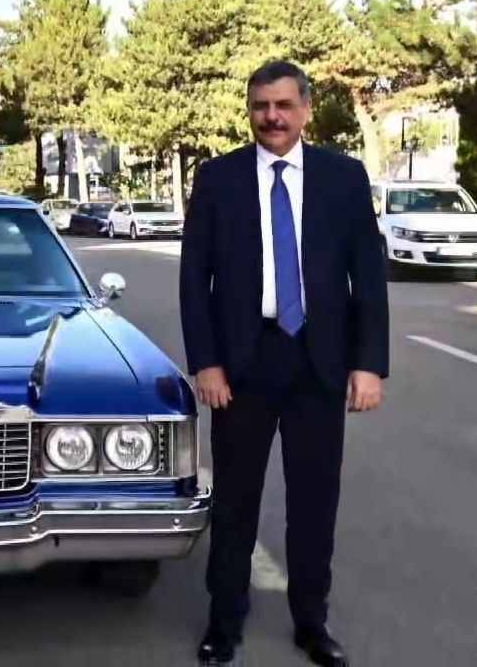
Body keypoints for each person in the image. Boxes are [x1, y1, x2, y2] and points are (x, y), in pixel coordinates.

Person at [179, 60, 388, 667]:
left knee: (314, 504)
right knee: (236, 501)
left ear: (306, 110)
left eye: (283, 105)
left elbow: (367, 277)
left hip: (318, 363)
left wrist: (368, 364)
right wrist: (207, 363)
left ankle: (311, 623)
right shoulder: (218, 178)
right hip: (244, 364)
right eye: (260, 106)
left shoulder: (343, 178)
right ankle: (224, 623)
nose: (271, 117)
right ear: (250, 110)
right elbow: (195, 279)